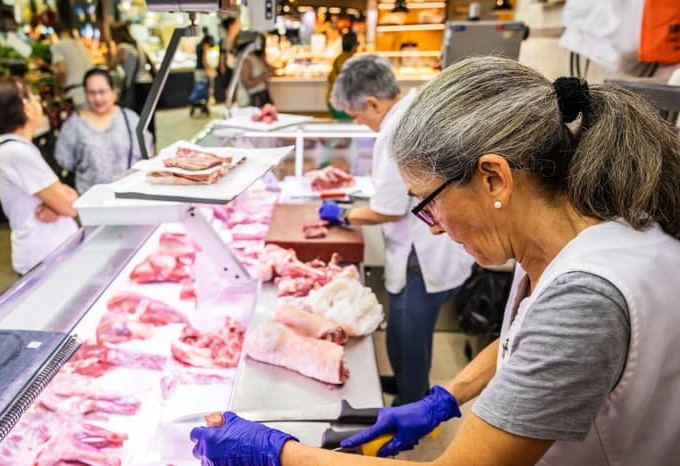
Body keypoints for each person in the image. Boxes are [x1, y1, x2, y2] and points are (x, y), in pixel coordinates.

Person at [190, 56, 680, 465]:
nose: (433, 226)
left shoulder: (585, 296)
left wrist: (279, 452)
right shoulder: (583, 232)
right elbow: (527, 339)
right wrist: (446, 397)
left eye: (427, 202)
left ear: (494, 179)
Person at [322, 55, 473, 406]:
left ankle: (410, 406)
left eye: (358, 116)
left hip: (421, 257)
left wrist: (343, 214)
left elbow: (386, 211)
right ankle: (407, 386)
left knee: (407, 337)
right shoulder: (419, 106)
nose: (360, 124)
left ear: (373, 103)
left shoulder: (394, 132)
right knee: (411, 335)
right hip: (442, 246)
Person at [0, 77, 78, 275]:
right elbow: (70, 206)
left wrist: (56, 202)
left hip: (52, 253)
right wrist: (62, 200)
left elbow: (63, 199)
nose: (37, 100)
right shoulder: (17, 153)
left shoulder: (19, 149)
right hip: (46, 257)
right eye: (32, 96)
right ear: (25, 107)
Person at [54, 68, 152, 195]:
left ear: (114, 91)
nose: (98, 98)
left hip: (132, 195)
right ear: (85, 93)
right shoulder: (73, 125)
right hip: (92, 200)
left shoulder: (130, 118)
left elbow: (148, 154)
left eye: (102, 92)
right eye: (91, 93)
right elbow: (64, 162)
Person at [51, 25, 93, 110]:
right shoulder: (81, 45)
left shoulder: (57, 46)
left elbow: (62, 71)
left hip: (75, 95)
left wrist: (57, 90)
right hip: (90, 91)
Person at [325, 31, 359, 120]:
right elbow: (348, 81)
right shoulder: (346, 60)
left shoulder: (342, 58)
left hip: (338, 100)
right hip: (339, 101)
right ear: (353, 45)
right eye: (357, 43)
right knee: (346, 127)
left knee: (345, 128)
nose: (358, 47)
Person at [109, 22, 141, 109]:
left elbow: (111, 66)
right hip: (138, 82)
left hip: (130, 84)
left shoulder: (122, 47)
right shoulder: (132, 46)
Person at [238, 33, 273, 107]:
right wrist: (264, 75)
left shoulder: (254, 56)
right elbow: (248, 83)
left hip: (261, 94)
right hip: (255, 96)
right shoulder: (246, 59)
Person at [215, 16, 239, 103]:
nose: (238, 25)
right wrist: (223, 70)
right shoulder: (225, 40)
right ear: (231, 26)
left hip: (235, 67)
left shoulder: (237, 38)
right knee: (230, 90)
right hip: (230, 68)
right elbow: (222, 56)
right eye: (236, 24)